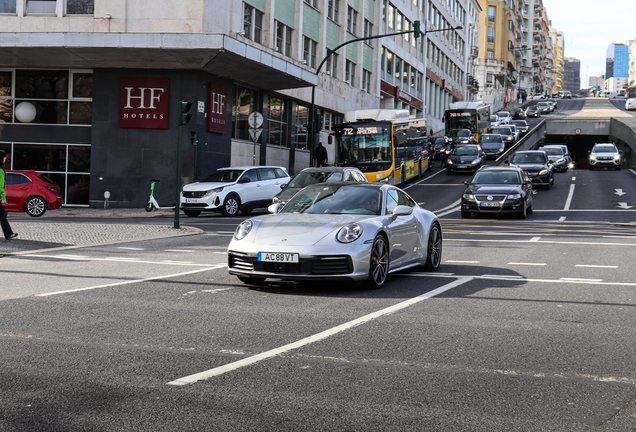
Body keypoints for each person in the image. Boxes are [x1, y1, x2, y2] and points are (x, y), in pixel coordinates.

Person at [0, 149, 18, 241]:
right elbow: (0, 185)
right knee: (2, 214)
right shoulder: (0, 170)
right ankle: (8, 233)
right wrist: (3, 197)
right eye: (4, 157)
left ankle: (9, 233)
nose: (5, 159)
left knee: (2, 215)